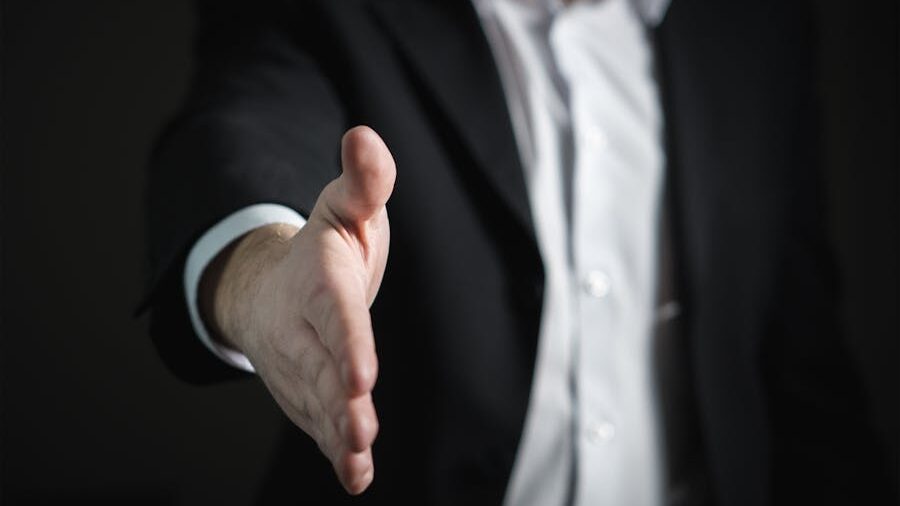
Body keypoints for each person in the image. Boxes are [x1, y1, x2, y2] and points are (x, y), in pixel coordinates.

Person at [143, 0, 893, 504]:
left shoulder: (760, 28)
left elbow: (801, 364)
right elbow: (239, 132)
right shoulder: (335, 14)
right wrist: (261, 273)